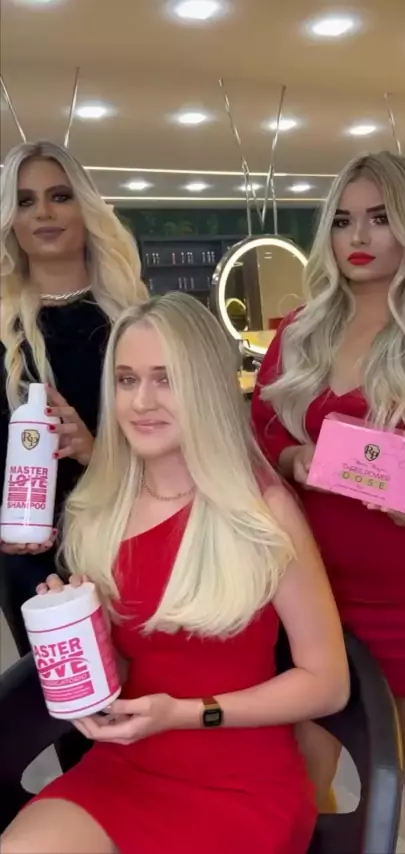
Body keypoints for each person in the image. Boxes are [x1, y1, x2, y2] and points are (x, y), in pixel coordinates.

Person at [1, 293, 349, 854]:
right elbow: (124, 668)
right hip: (125, 767)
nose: (142, 401)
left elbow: (328, 683)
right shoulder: (97, 509)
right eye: (127, 380)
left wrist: (186, 714)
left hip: (239, 780)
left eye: (166, 379)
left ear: (205, 387)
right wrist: (80, 638)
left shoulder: (262, 512)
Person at [251, 151, 405, 854]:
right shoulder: (299, 334)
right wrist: (292, 458)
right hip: (312, 587)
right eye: (343, 220)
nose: (358, 236)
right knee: (305, 762)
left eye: (380, 218)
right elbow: (258, 431)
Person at [0, 139, 147, 657]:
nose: (43, 212)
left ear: (86, 207)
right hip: (29, 561)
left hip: (129, 536)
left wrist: (95, 451)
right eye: (25, 201)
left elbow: (186, 449)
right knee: (66, 695)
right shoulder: (3, 330)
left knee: (147, 682)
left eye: (59, 196)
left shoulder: (133, 322)